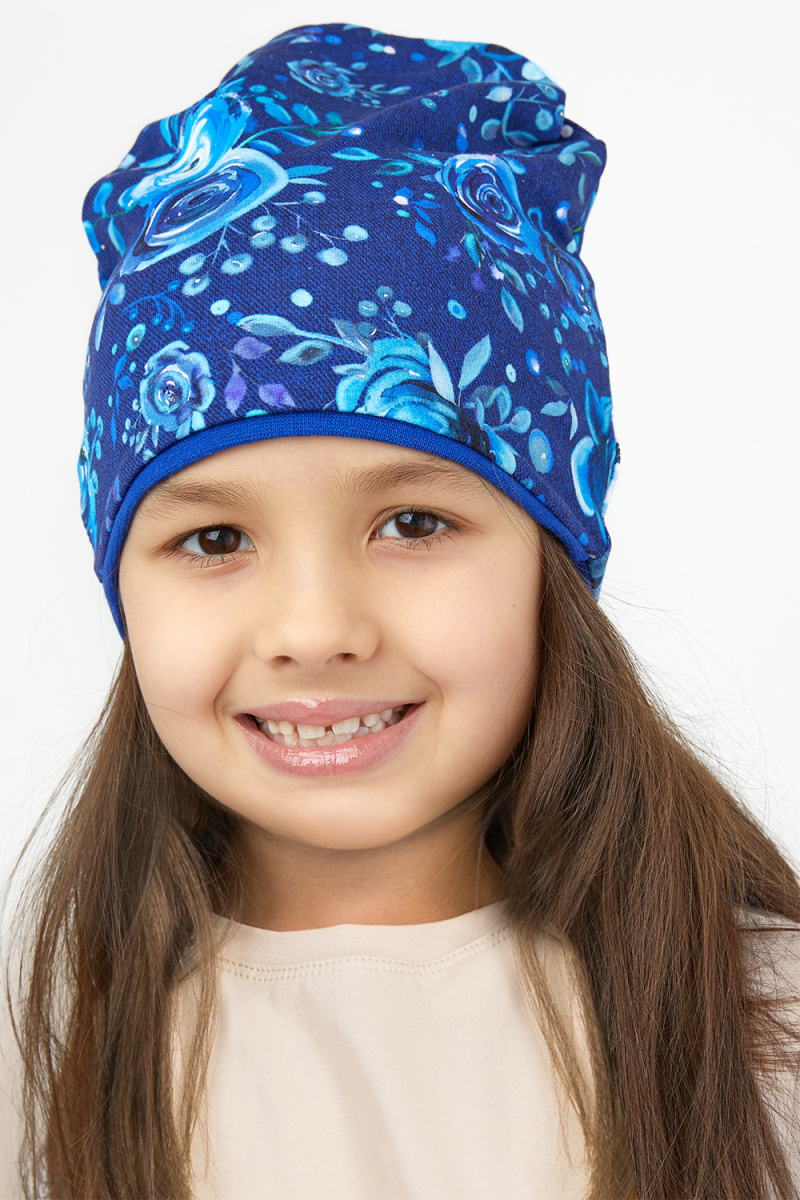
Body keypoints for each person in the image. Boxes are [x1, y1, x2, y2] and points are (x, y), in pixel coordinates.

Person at [2, 20, 798, 1200]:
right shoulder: (45, 1061)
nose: (315, 629)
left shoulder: (762, 1035)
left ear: (550, 555)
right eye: (214, 540)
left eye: (412, 524)